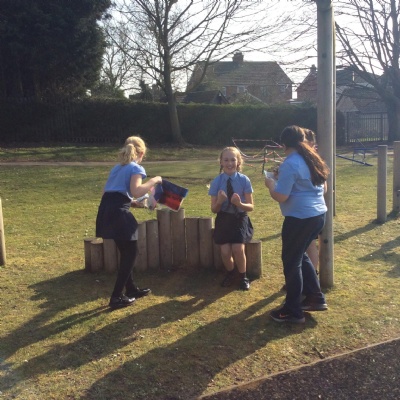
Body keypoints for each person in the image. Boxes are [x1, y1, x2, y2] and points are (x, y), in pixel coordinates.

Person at [264, 125, 329, 323]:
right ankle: (315, 297)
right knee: (300, 255)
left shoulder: (290, 163)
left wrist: (271, 184)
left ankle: (292, 310)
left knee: (291, 262)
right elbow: (323, 188)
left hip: (299, 219)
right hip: (318, 215)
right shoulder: (311, 158)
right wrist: (282, 178)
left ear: (283, 144)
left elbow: (281, 196)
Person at [96, 136, 162, 309]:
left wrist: (130, 203)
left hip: (106, 210)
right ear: (142, 153)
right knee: (131, 253)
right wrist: (155, 180)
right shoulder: (136, 167)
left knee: (126, 251)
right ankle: (116, 297)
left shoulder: (117, 168)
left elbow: (107, 193)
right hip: (118, 213)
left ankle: (131, 289)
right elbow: (137, 190)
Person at [208, 147, 254, 291]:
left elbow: (251, 207)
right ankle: (230, 273)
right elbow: (214, 209)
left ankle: (243, 277)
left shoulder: (244, 180)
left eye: (233, 160)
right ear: (221, 162)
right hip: (223, 218)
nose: (229, 163)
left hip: (239, 218)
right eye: (226, 160)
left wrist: (239, 204)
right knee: (225, 251)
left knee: (238, 249)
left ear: (238, 162)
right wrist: (220, 201)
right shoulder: (217, 181)